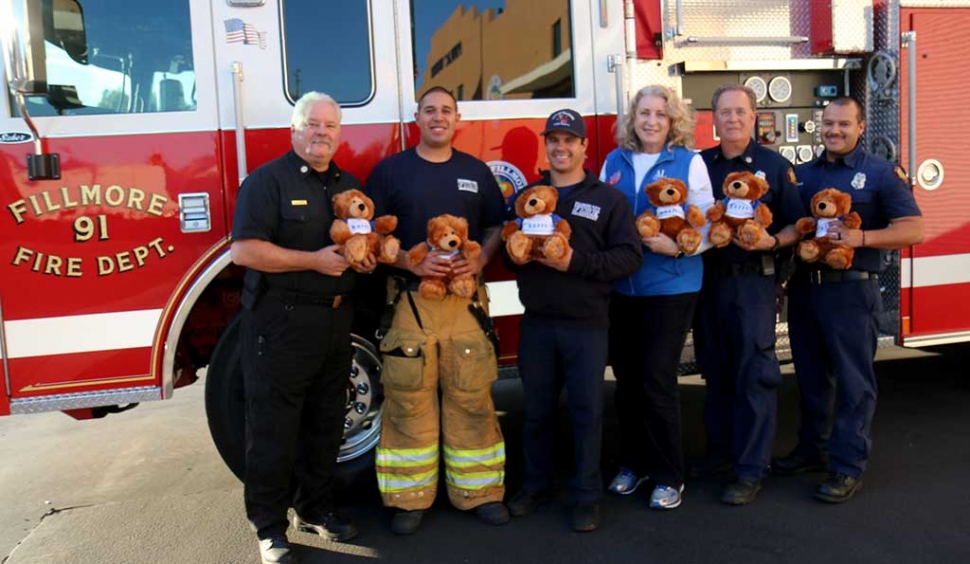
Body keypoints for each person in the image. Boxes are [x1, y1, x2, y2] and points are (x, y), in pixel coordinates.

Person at [230, 91, 368, 564]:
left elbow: (361, 243)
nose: (321, 133)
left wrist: (364, 259)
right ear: (295, 129)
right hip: (281, 322)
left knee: (325, 425)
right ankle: (269, 528)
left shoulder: (350, 186)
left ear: (339, 134)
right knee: (272, 429)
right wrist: (312, 260)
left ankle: (314, 510)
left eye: (330, 125)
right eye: (312, 124)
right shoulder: (267, 182)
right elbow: (245, 251)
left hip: (334, 321)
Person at [366, 86, 509, 535]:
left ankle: (480, 493)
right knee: (409, 402)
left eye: (446, 110)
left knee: (472, 398)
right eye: (430, 110)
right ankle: (409, 500)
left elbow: (496, 225)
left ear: (457, 118)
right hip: (410, 302)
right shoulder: (391, 172)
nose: (438, 117)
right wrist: (410, 258)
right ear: (417, 118)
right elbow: (371, 233)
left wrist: (482, 258)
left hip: (466, 304)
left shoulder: (476, 171)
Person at [777, 97, 923, 502]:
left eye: (843, 124)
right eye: (827, 124)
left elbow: (913, 229)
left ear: (861, 127)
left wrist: (862, 238)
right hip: (807, 289)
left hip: (852, 290)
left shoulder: (880, 173)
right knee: (810, 379)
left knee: (854, 383)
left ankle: (847, 466)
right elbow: (795, 230)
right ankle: (812, 450)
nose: (834, 131)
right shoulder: (801, 174)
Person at [506, 109, 642, 531]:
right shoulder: (528, 197)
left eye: (570, 140)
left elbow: (629, 256)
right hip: (539, 324)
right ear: (545, 146)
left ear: (584, 146)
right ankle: (536, 486)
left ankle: (586, 495)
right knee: (537, 412)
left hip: (586, 324)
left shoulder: (607, 199)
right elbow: (514, 252)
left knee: (587, 412)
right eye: (554, 140)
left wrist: (575, 262)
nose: (561, 147)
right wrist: (518, 254)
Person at [599, 85, 715, 509]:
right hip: (622, 288)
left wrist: (683, 246)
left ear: (673, 122)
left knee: (656, 379)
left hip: (671, 286)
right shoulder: (614, 161)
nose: (651, 121)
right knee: (626, 381)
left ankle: (669, 474)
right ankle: (634, 464)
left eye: (660, 115)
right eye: (643, 113)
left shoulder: (689, 162)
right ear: (632, 118)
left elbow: (708, 222)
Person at [691, 84, 805, 505]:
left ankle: (750, 469)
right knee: (716, 372)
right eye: (725, 112)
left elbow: (797, 224)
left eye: (741, 111)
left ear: (754, 116)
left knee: (753, 376)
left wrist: (771, 244)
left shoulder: (775, 167)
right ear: (714, 119)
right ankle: (720, 454)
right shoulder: (700, 165)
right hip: (707, 283)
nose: (733, 119)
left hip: (753, 283)